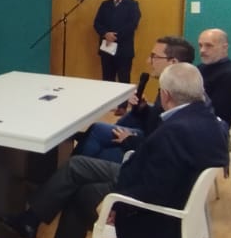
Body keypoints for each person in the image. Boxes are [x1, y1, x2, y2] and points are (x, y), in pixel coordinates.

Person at [0, 63, 229, 238]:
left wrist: (119, 207)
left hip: (146, 199)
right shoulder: (207, 118)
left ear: (166, 95)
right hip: (148, 178)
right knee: (76, 165)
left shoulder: (175, 131)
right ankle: (31, 220)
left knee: (82, 192)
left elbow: (153, 188)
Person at [74, 36, 194, 164]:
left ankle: (73, 166)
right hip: (147, 140)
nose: (148, 61)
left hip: (151, 155)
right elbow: (158, 120)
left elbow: (164, 143)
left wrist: (130, 140)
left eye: (154, 57)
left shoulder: (181, 94)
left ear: (173, 62)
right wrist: (144, 108)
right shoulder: (171, 86)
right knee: (97, 133)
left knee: (96, 145)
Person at [93, 0, 141, 112]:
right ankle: (108, 105)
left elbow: (133, 24)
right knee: (107, 78)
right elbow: (96, 23)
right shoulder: (105, 5)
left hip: (124, 49)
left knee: (124, 78)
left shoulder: (133, 5)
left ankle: (122, 106)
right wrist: (105, 34)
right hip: (106, 47)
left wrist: (115, 36)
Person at [197, 29, 231, 127]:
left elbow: (218, 113)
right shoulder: (201, 68)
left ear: (225, 47)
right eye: (200, 45)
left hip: (212, 127)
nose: (202, 50)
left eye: (208, 45)